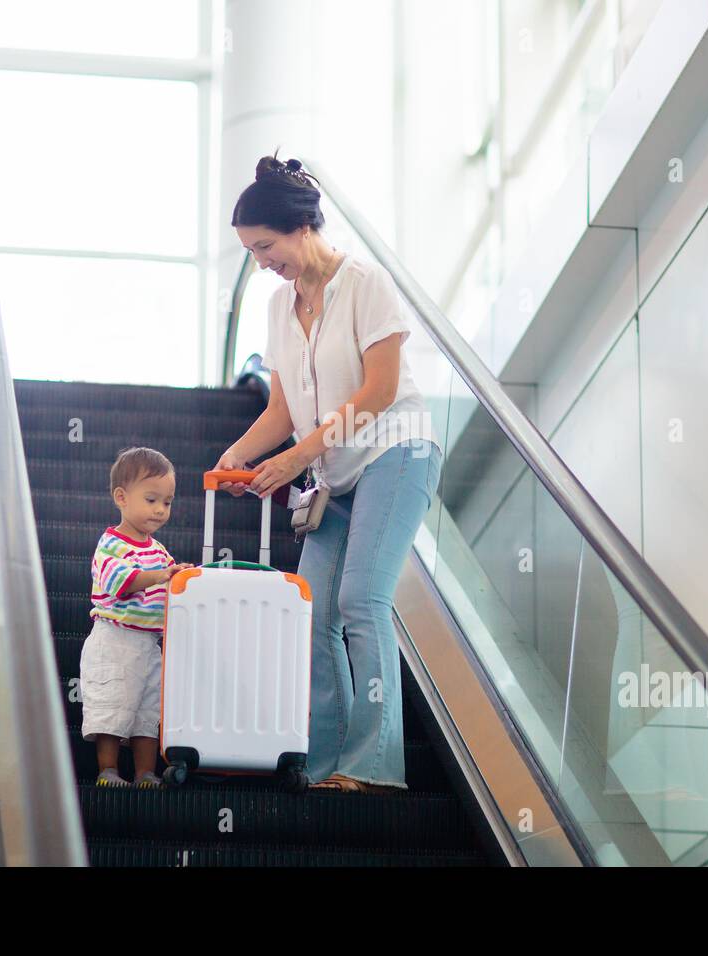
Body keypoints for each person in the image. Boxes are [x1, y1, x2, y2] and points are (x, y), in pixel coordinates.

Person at [215, 152, 443, 791]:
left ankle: (372, 767)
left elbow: (379, 392)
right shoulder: (279, 309)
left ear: (300, 228)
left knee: (360, 600)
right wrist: (239, 454)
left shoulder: (364, 284)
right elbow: (282, 412)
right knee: (311, 613)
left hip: (397, 451)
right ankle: (325, 767)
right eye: (252, 253)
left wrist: (298, 456)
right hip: (337, 472)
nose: (262, 262)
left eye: (266, 246)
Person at [79, 446, 193, 788]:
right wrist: (160, 576)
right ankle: (108, 771)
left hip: (148, 644)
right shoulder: (111, 543)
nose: (160, 509)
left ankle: (145, 773)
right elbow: (120, 583)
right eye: (151, 499)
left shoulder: (158, 550)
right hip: (114, 639)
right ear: (121, 498)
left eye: (167, 502)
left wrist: (181, 577)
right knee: (113, 706)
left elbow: (168, 582)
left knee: (147, 712)